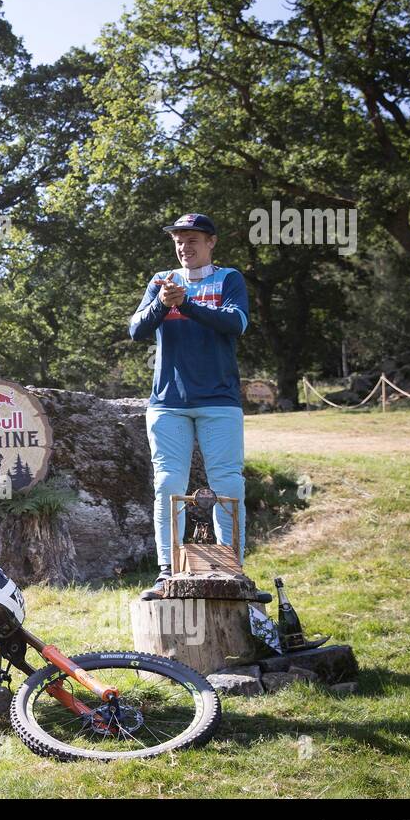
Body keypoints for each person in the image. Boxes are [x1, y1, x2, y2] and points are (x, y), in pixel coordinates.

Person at [128, 213, 249, 600]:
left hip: (219, 401)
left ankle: (231, 567)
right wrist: (163, 305)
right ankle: (167, 571)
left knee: (227, 482)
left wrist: (190, 305)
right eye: (179, 240)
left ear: (211, 242)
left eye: (193, 239)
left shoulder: (229, 279)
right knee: (167, 484)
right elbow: (137, 330)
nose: (184, 246)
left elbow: (235, 324)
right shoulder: (160, 282)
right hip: (168, 404)